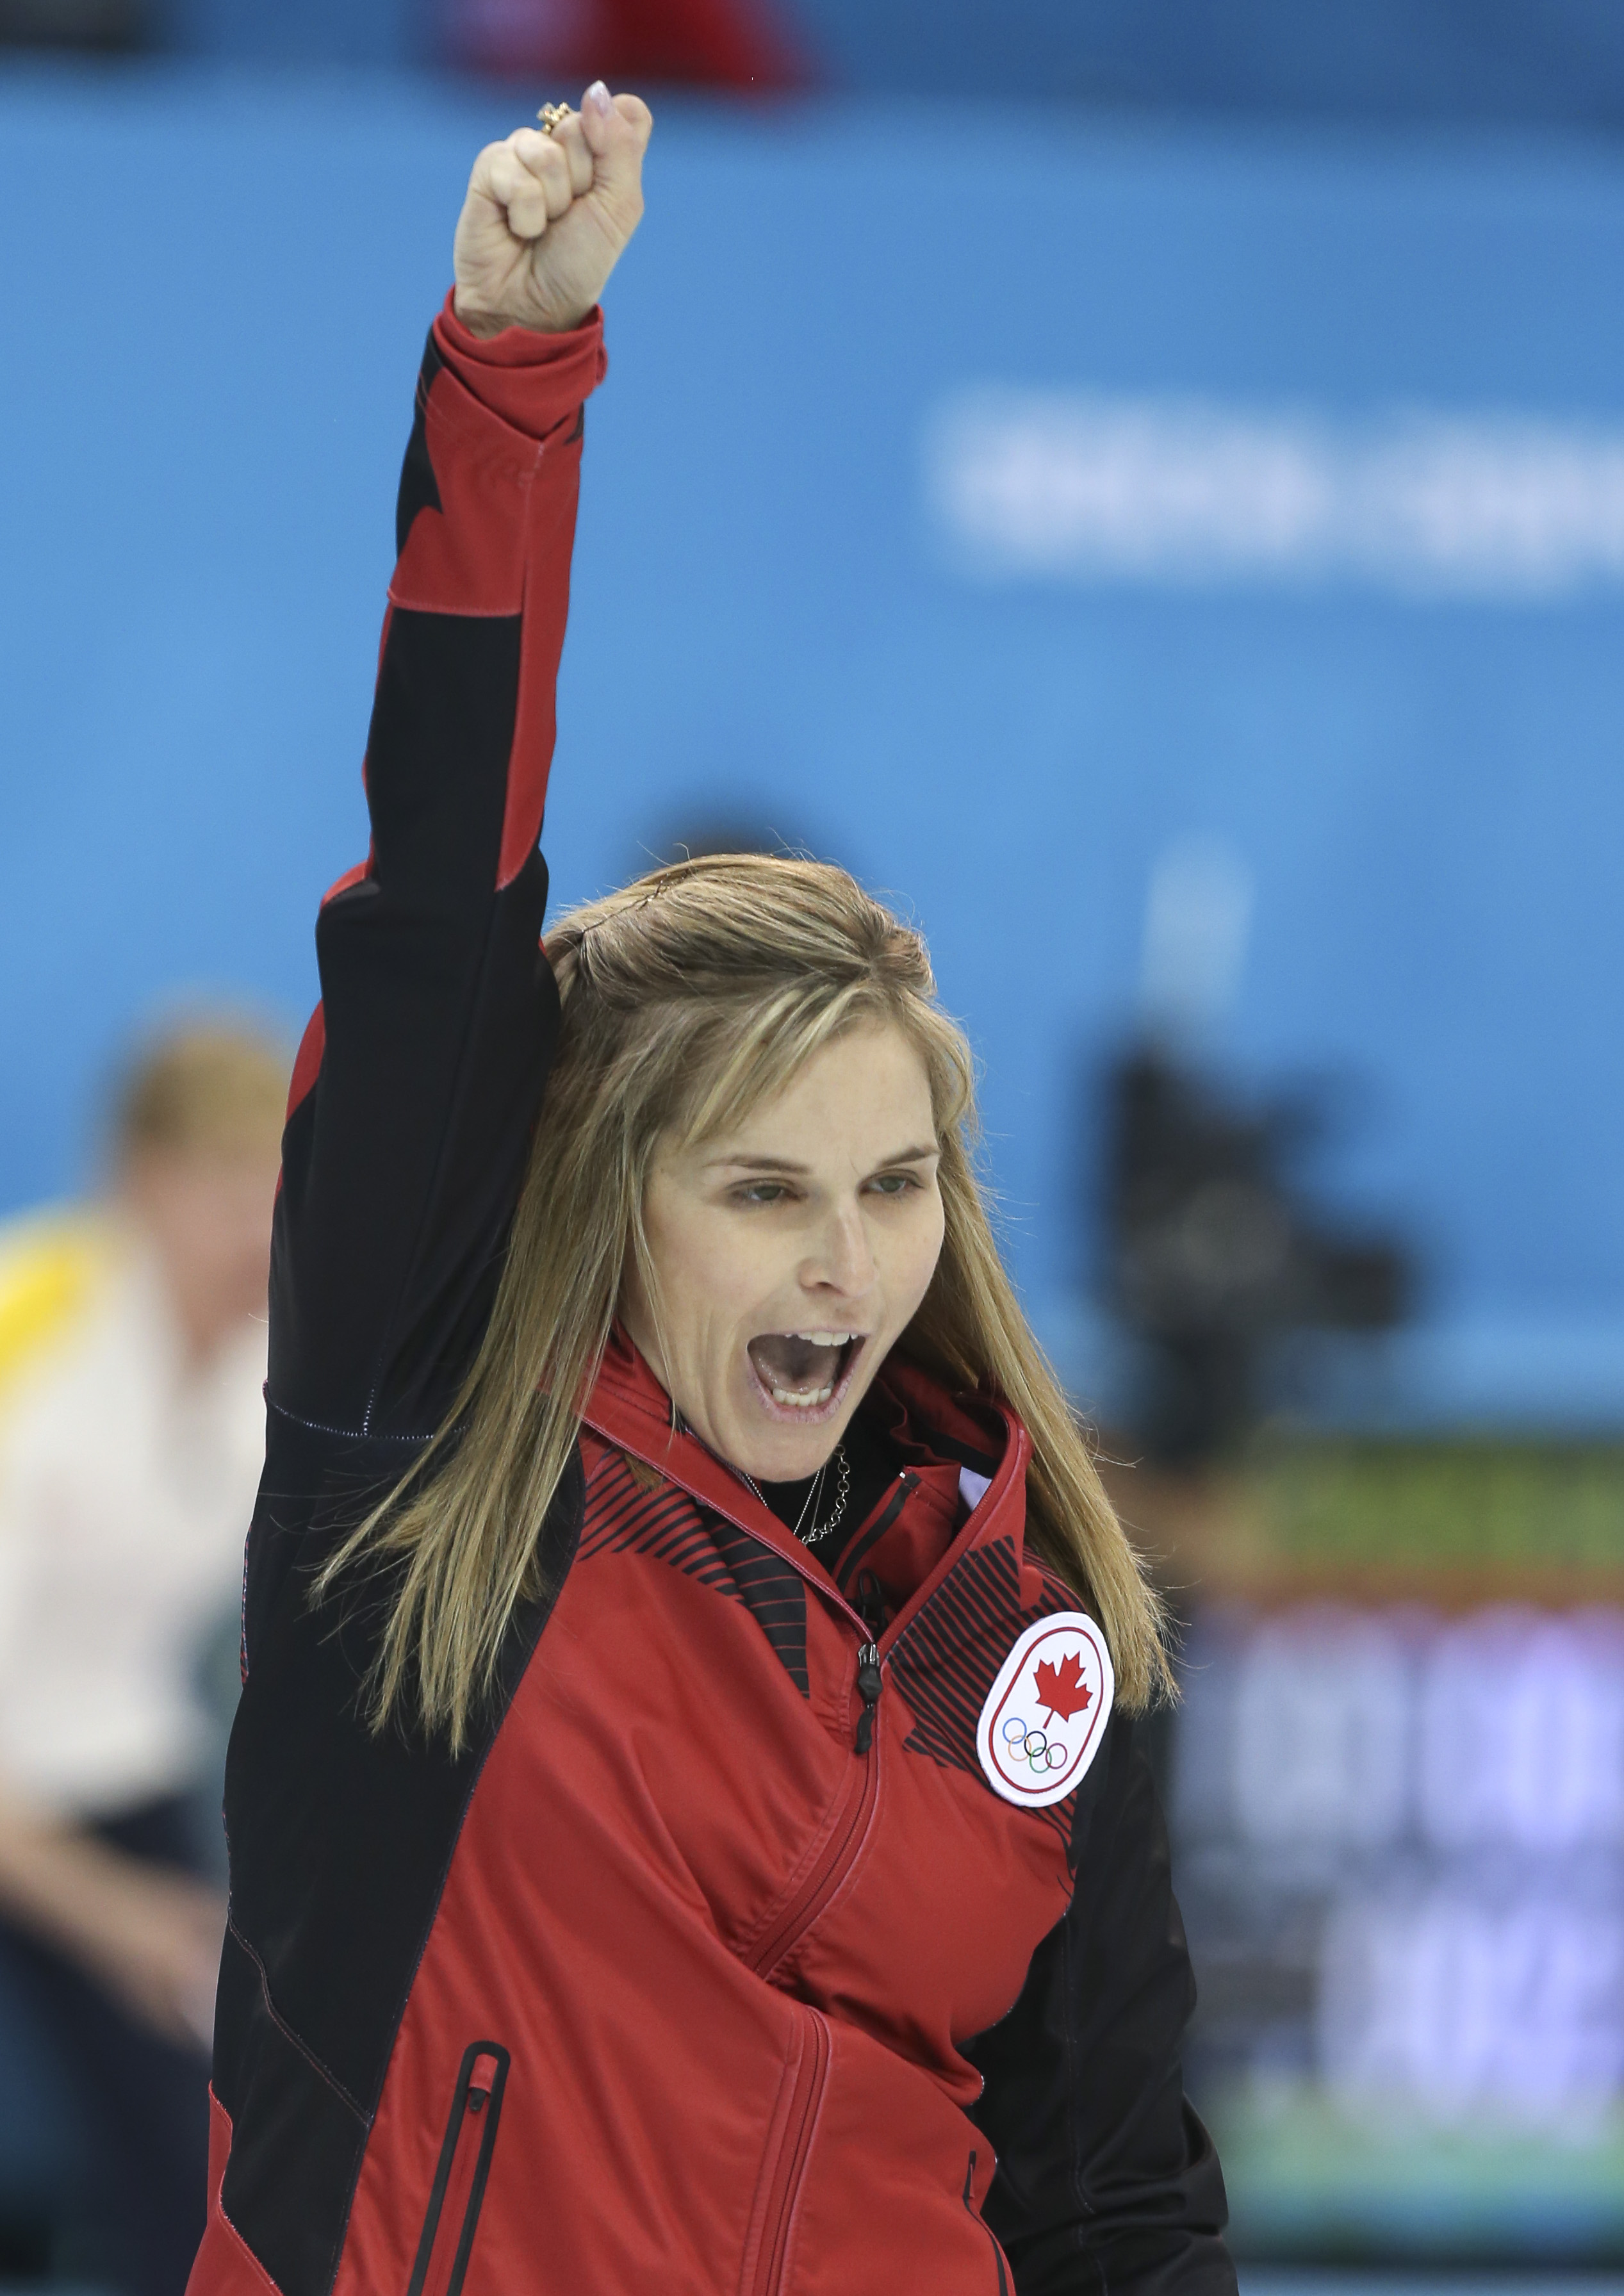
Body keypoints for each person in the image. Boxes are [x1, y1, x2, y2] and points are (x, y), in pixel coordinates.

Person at [190, 85, 1234, 2296]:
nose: (846, 1258)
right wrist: (511, 376)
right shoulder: (432, 1447)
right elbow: (433, 908)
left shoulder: (1044, 1625)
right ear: (605, 1188)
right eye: (761, 1189)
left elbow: (1112, 2206)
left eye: (894, 1182)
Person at [0, 1022, 286, 2296]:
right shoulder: (34, 1350)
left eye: (277, 1190)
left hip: (118, 1777)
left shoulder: (277, 1366)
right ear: (136, 1181)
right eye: (223, 1190)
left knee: (221, 2170)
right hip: (24, 1813)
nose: (256, 1230)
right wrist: (116, 1920)